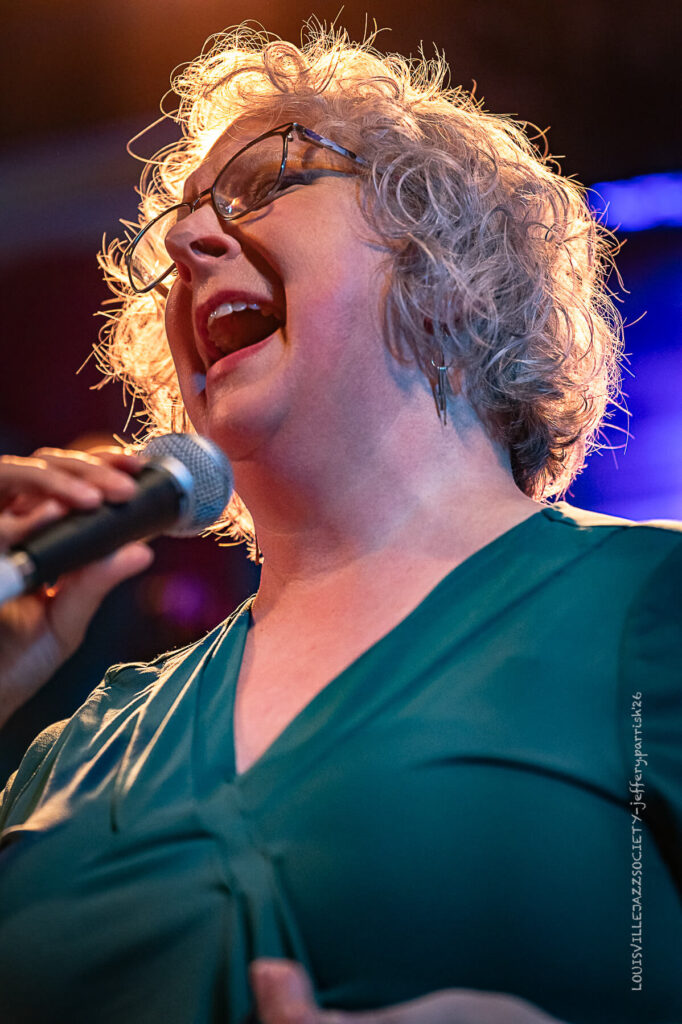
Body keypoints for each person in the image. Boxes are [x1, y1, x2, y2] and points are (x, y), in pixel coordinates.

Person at [0, 22, 680, 1024]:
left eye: (262, 186)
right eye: (177, 234)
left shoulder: (651, 604)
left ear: (442, 263)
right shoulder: (81, 740)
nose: (186, 246)